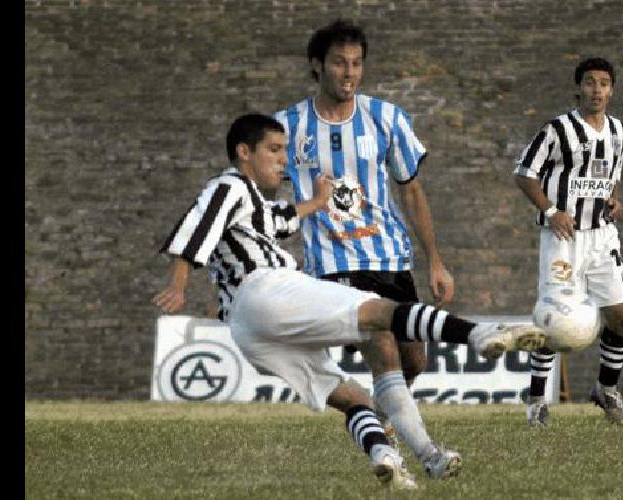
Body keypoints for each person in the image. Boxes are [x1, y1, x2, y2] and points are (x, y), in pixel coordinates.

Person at [153, 113, 547, 489]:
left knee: (352, 398)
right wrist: (179, 283)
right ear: (244, 152)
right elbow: (197, 226)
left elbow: (283, 219)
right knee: (379, 311)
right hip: (266, 288)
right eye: (273, 149)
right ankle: (480, 334)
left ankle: (402, 457)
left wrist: (320, 200)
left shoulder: (253, 202)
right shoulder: (228, 187)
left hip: (249, 328)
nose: (282, 159)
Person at [272, 20, 453, 410]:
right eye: (339, 63)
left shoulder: (386, 118)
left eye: (356, 63)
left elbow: (412, 190)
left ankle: (382, 412)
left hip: (389, 257)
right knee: (383, 345)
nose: (349, 72)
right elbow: (260, 191)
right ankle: (389, 437)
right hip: (333, 263)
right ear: (317, 65)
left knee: (413, 359)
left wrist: (435, 262)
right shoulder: (287, 126)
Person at [512, 57, 623, 426]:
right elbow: (524, 173)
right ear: (578, 88)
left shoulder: (618, 131)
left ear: (611, 90)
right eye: (590, 83)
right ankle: (536, 400)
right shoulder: (557, 130)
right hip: (562, 238)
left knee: (622, 316)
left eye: (603, 83)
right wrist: (551, 211)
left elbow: (609, 176)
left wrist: (614, 199)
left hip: (601, 237)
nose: (597, 90)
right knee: (552, 320)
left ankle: (606, 390)